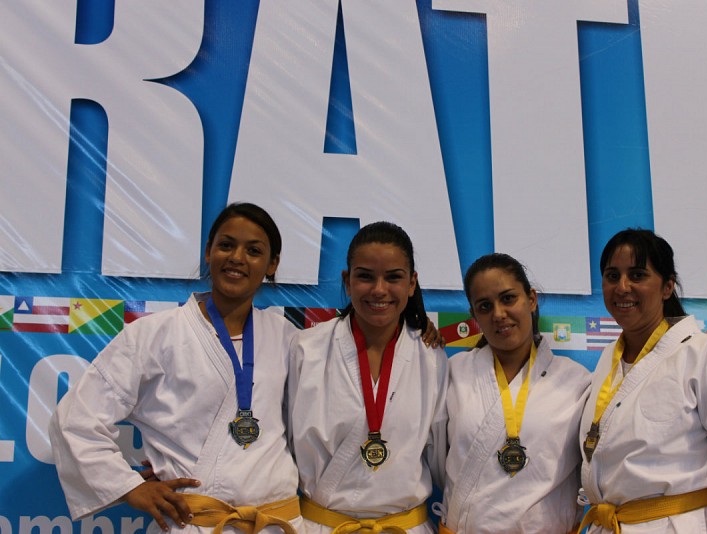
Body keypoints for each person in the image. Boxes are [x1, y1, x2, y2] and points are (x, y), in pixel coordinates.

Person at [49, 203, 304, 533]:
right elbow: (75, 420)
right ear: (208, 252)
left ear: (272, 264)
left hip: (275, 522)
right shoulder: (155, 334)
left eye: (254, 251)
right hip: (194, 522)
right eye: (226, 245)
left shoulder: (288, 338)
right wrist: (129, 486)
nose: (237, 258)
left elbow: (312, 432)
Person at [578, 228, 707, 533]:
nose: (622, 287)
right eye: (612, 276)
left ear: (667, 287)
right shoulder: (608, 361)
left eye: (637, 275)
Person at [287, 221, 448, 533]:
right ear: (347, 281)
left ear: (412, 283)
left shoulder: (430, 357)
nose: (379, 290)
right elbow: (277, 444)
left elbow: (443, 461)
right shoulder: (306, 349)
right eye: (365, 276)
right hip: (323, 526)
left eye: (393, 277)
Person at [439, 253, 590, 534]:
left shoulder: (576, 381)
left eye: (508, 299)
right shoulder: (453, 373)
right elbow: (433, 459)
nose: (498, 314)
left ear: (531, 299)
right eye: (485, 306)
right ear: (474, 315)